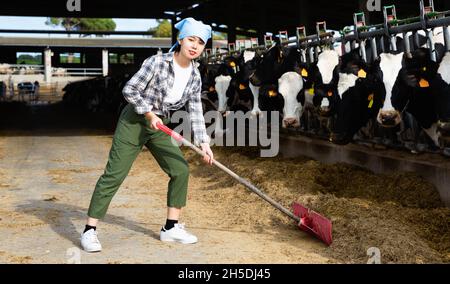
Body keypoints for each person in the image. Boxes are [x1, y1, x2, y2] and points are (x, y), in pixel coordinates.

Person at [81, 17, 214, 252]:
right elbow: (129, 89)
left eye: (201, 43)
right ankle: (89, 230)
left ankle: (171, 228)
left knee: (180, 170)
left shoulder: (195, 76)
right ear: (181, 40)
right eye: (191, 39)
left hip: (160, 127)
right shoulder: (157, 62)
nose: (195, 46)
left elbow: (195, 110)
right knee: (114, 175)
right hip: (135, 120)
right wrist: (149, 114)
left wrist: (204, 142)